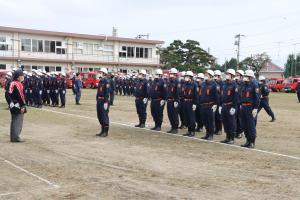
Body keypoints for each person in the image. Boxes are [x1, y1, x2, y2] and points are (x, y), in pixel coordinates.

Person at [240, 70, 260, 148]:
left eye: (246, 76)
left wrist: (255, 108)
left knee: (251, 125)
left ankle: (252, 142)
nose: (245, 77)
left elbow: (257, 98)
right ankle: (247, 141)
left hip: (250, 107)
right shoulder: (243, 85)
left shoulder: (254, 85)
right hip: (243, 107)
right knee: (244, 125)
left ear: (251, 77)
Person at [219, 69, 239, 144]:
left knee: (231, 122)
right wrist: (221, 105)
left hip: (231, 105)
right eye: (226, 74)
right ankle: (227, 137)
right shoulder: (224, 84)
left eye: (228, 74)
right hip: (224, 105)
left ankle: (232, 138)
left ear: (232, 76)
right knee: (225, 122)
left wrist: (234, 107)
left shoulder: (234, 85)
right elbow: (222, 95)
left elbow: (236, 97)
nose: (227, 75)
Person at [200, 70, 219, 140]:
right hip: (203, 105)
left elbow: (217, 96)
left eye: (207, 74)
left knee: (210, 120)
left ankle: (211, 134)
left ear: (210, 76)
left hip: (210, 105)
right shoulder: (204, 84)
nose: (205, 75)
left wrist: (216, 104)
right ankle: (207, 133)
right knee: (205, 120)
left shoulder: (214, 84)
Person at [8, 70, 27, 143]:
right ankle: (16, 137)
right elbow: (20, 96)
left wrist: (10, 102)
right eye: (22, 75)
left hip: (12, 104)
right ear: (18, 77)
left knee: (13, 121)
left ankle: (13, 137)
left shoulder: (12, 83)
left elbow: (8, 94)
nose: (23, 77)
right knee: (18, 121)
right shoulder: (18, 84)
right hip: (18, 104)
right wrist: (23, 106)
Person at [182, 71, 198, 137]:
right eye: (186, 76)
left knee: (191, 118)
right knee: (187, 117)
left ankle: (192, 131)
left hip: (191, 102)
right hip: (186, 102)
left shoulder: (194, 84)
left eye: (187, 76)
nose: (186, 77)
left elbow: (196, 95)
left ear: (190, 77)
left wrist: (195, 103)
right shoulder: (185, 84)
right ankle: (189, 130)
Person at [96, 68, 110, 137]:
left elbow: (107, 93)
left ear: (104, 73)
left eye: (101, 72)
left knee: (104, 116)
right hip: (99, 100)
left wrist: (106, 102)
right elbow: (98, 92)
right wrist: (97, 99)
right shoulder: (101, 81)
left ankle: (105, 132)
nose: (99, 73)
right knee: (100, 116)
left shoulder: (106, 81)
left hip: (104, 101)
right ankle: (102, 130)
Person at [166, 68, 180, 134]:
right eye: (170, 74)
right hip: (169, 100)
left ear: (175, 74)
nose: (170, 75)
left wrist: (176, 101)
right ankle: (172, 127)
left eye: (172, 74)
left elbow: (178, 92)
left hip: (174, 100)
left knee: (174, 115)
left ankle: (175, 128)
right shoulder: (169, 81)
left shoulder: (177, 82)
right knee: (170, 114)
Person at [214, 70, 223, 135]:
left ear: (219, 76)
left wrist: (220, 104)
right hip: (214, 102)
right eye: (214, 76)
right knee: (214, 117)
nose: (215, 77)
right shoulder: (214, 83)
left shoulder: (222, 83)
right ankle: (216, 129)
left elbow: (222, 94)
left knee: (218, 117)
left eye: (216, 76)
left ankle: (219, 129)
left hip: (219, 101)